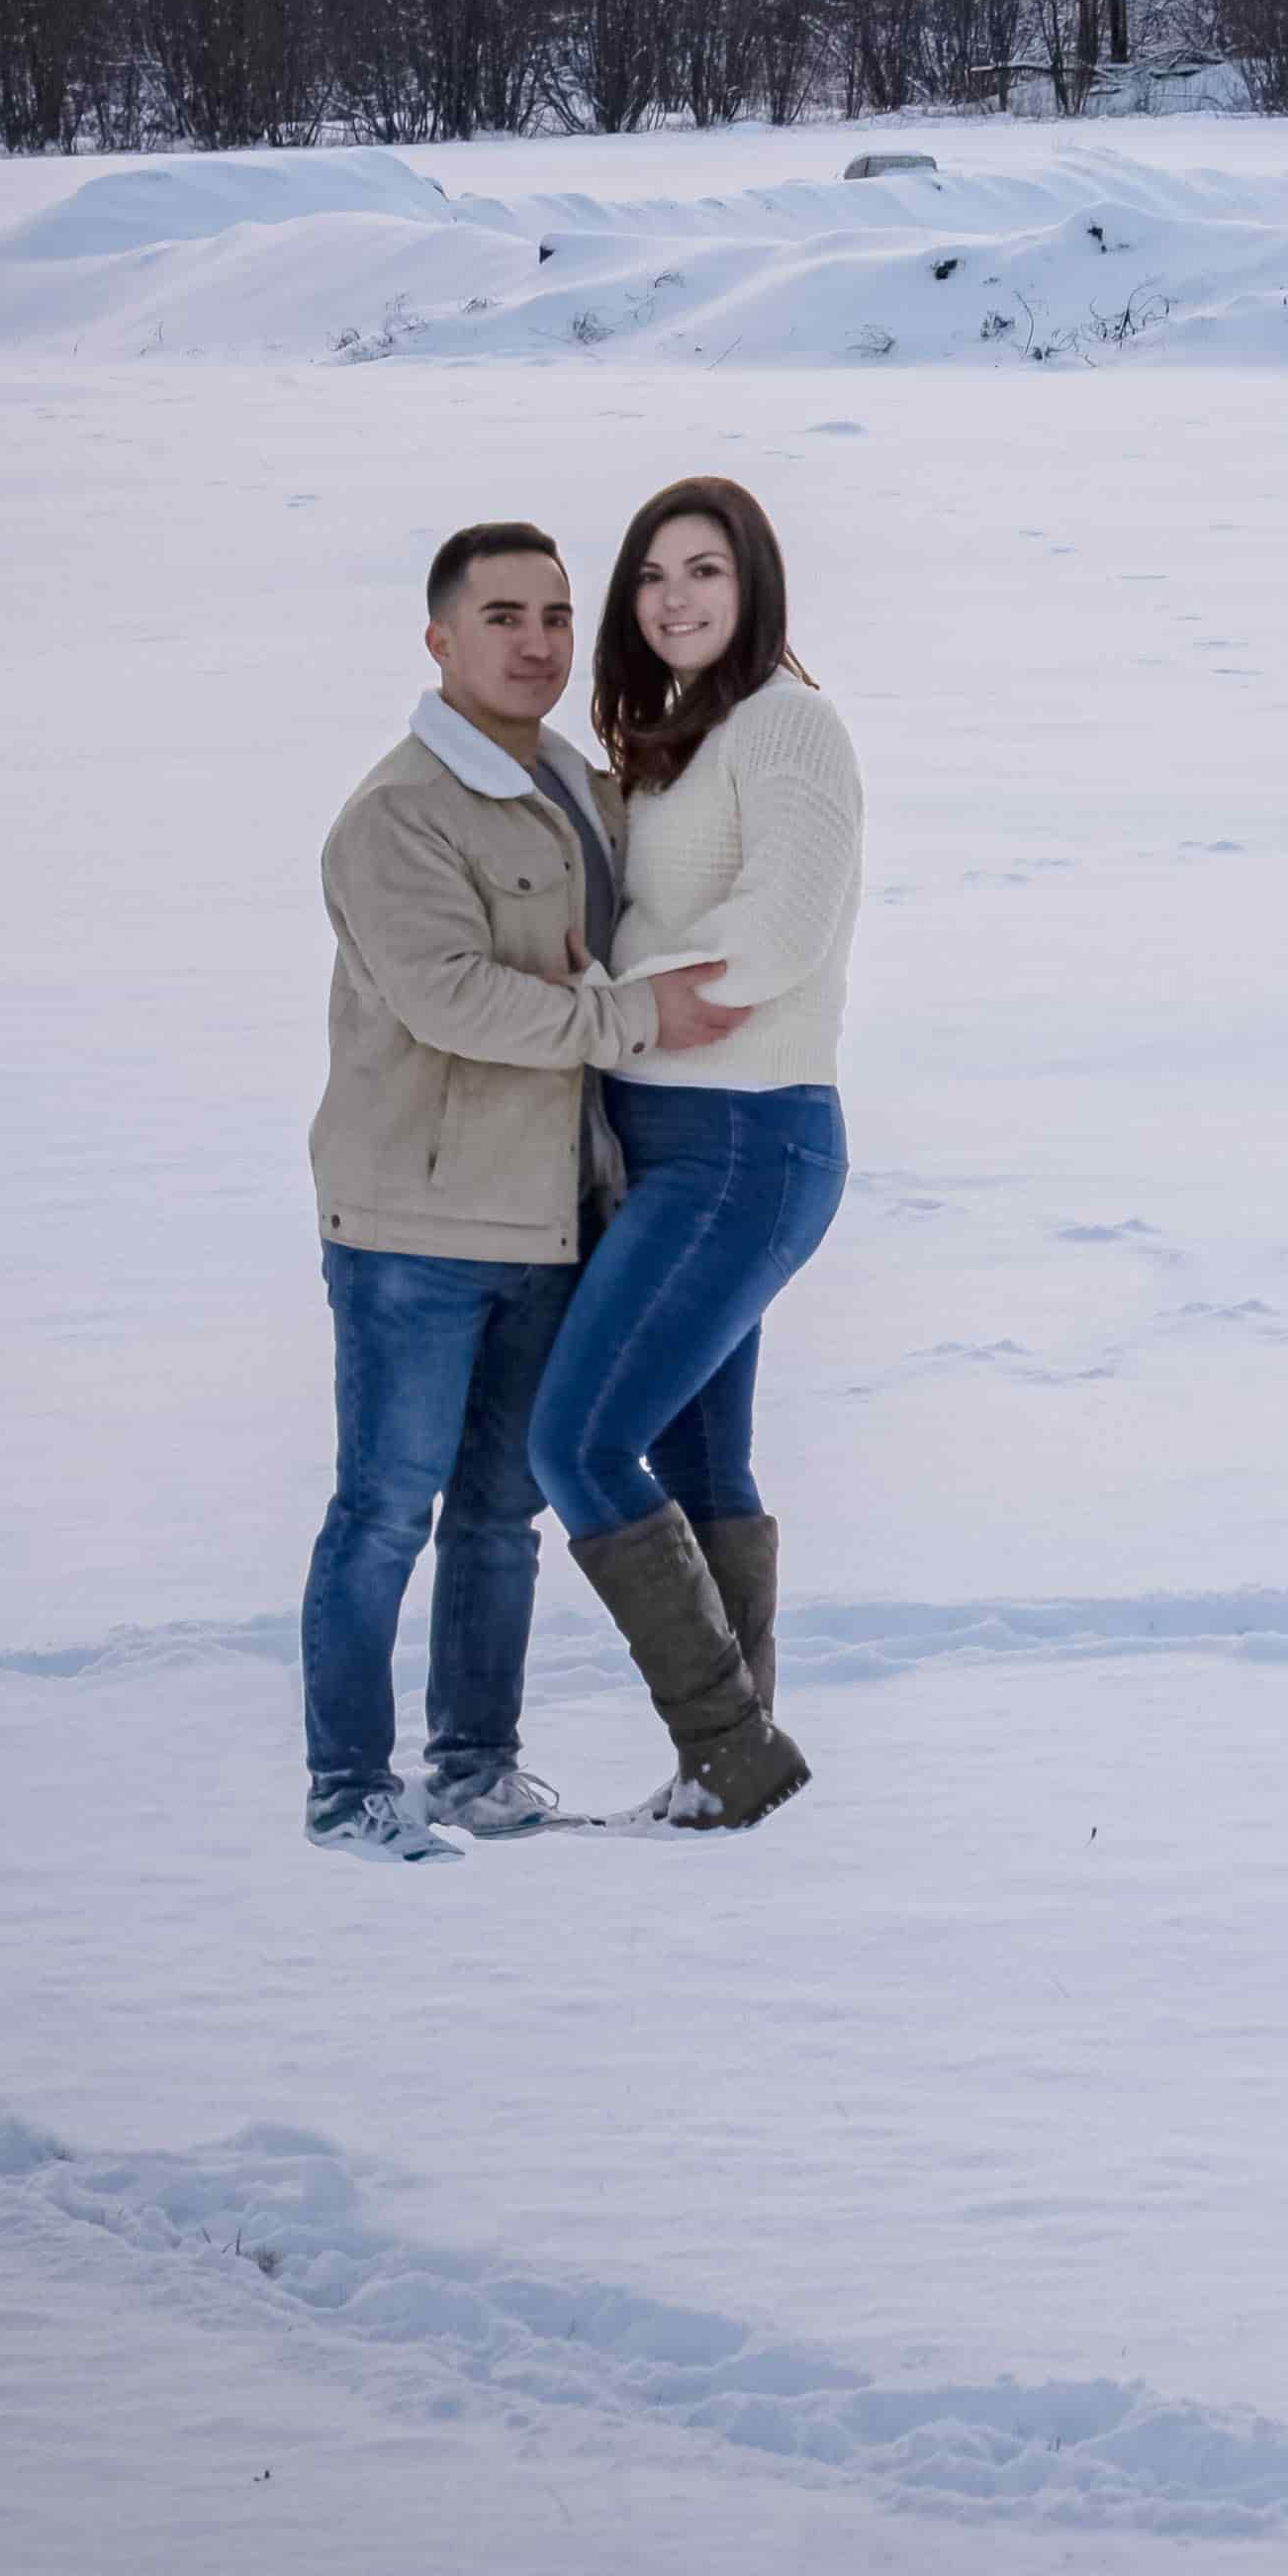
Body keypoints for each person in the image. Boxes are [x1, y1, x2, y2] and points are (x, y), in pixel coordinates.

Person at [304, 525, 750, 1862]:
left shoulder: (571, 782)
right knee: (385, 1508)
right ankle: (346, 1787)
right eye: (502, 615)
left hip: (554, 1220)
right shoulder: (397, 814)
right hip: (414, 1227)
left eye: (556, 614)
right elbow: (450, 996)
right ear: (439, 639)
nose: (537, 641)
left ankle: (474, 1767)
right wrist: (625, 1016)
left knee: (503, 1515)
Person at [527, 473, 864, 1831]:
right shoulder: (684, 740)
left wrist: (606, 1005)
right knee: (703, 1462)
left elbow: (774, 933)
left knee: (581, 1440)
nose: (677, 595)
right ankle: (724, 1772)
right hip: (687, 1143)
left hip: (742, 1136)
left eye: (706, 570)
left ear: (755, 585)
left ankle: (729, 1745)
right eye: (655, 573)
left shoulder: (790, 724)